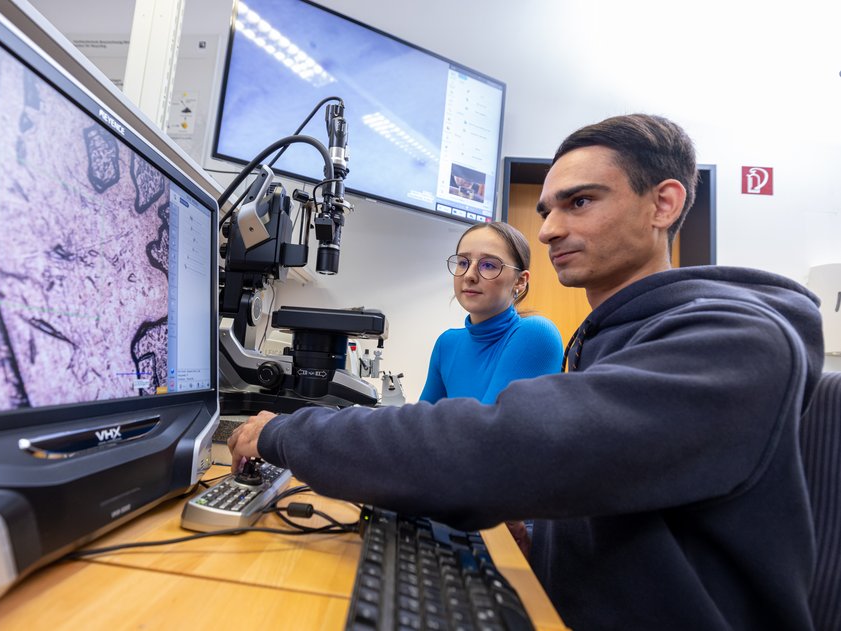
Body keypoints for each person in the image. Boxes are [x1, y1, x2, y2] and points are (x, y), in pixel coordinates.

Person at [228, 114, 824, 630]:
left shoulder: (732, 342)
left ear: (663, 204)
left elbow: (494, 448)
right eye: (546, 209)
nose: (548, 229)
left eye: (580, 201)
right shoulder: (613, 339)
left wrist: (286, 433)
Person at [419, 221, 562, 405]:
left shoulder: (536, 334)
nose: (469, 275)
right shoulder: (446, 344)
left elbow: (487, 428)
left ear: (520, 281)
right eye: (463, 262)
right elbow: (418, 426)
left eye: (488, 265)